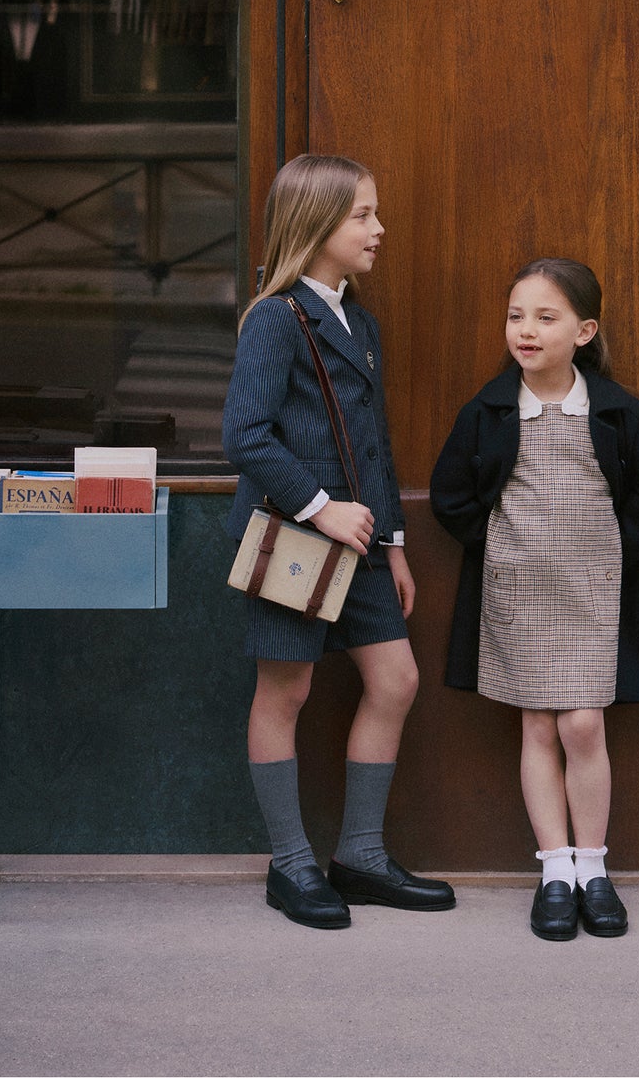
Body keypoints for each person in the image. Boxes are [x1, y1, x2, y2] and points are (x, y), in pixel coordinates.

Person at [222, 152, 455, 929]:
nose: (378, 228)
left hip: (361, 544)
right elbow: (245, 437)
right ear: (316, 224)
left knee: (396, 680)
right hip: (294, 539)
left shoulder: (359, 318)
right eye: (362, 214)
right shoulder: (275, 317)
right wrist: (322, 508)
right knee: (285, 691)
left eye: (374, 212)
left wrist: (394, 542)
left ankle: (358, 856)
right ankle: (291, 865)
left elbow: (373, 444)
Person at [429, 257, 639, 942]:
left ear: (584, 330)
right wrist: (499, 547)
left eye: (546, 317)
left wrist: (613, 547)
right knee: (538, 726)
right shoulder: (488, 411)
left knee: (583, 726)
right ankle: (555, 873)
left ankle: (594, 866)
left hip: (592, 594)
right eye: (517, 315)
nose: (527, 330)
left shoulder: (618, 412)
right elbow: (451, 495)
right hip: (519, 593)